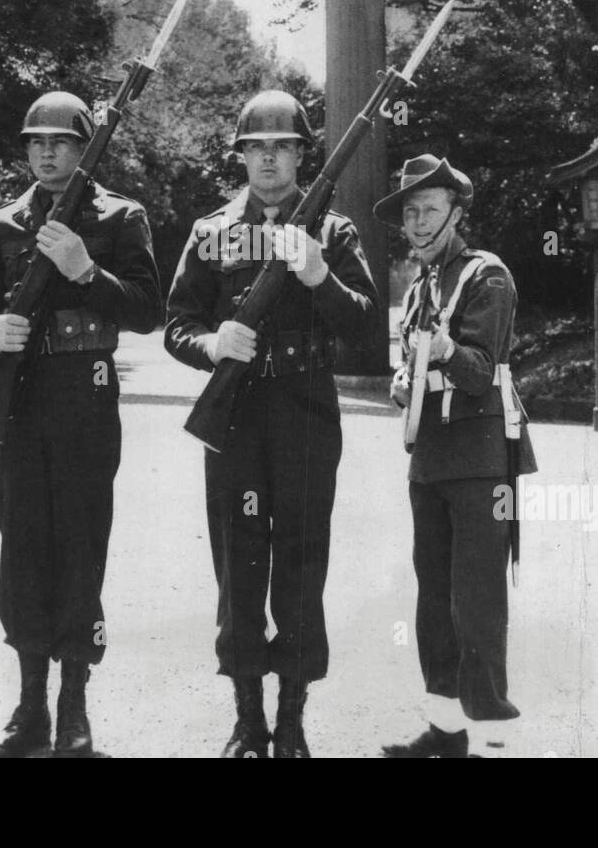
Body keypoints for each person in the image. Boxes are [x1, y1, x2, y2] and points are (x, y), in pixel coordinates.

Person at [164, 90, 379, 758]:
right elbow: (176, 323)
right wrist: (211, 344)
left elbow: (366, 323)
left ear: (299, 155)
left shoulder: (334, 232)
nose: (268, 158)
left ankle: (292, 719)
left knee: (301, 560)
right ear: (241, 156)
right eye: (256, 147)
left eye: (281, 146)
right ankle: (247, 719)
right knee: (239, 561)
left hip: (305, 412)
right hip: (235, 416)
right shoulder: (211, 231)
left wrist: (318, 275)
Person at [0, 91, 161, 758]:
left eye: (59, 141)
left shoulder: (119, 215)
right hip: (20, 393)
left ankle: (73, 701)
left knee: (80, 540)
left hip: (86, 389)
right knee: (21, 541)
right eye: (34, 141)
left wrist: (87, 269)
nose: (45, 151)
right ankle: (30, 706)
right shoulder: (4, 222)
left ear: (85, 146)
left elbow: (147, 311)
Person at [374, 154, 538, 758]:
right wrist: (402, 381)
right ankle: (445, 731)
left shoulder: (486, 275)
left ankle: (495, 735)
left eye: (430, 210)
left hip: (481, 458)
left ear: (456, 212)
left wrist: (441, 348)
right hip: (432, 458)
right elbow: (412, 370)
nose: (418, 222)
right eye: (410, 212)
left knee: (477, 602)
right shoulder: (420, 283)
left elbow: (477, 373)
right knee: (433, 601)